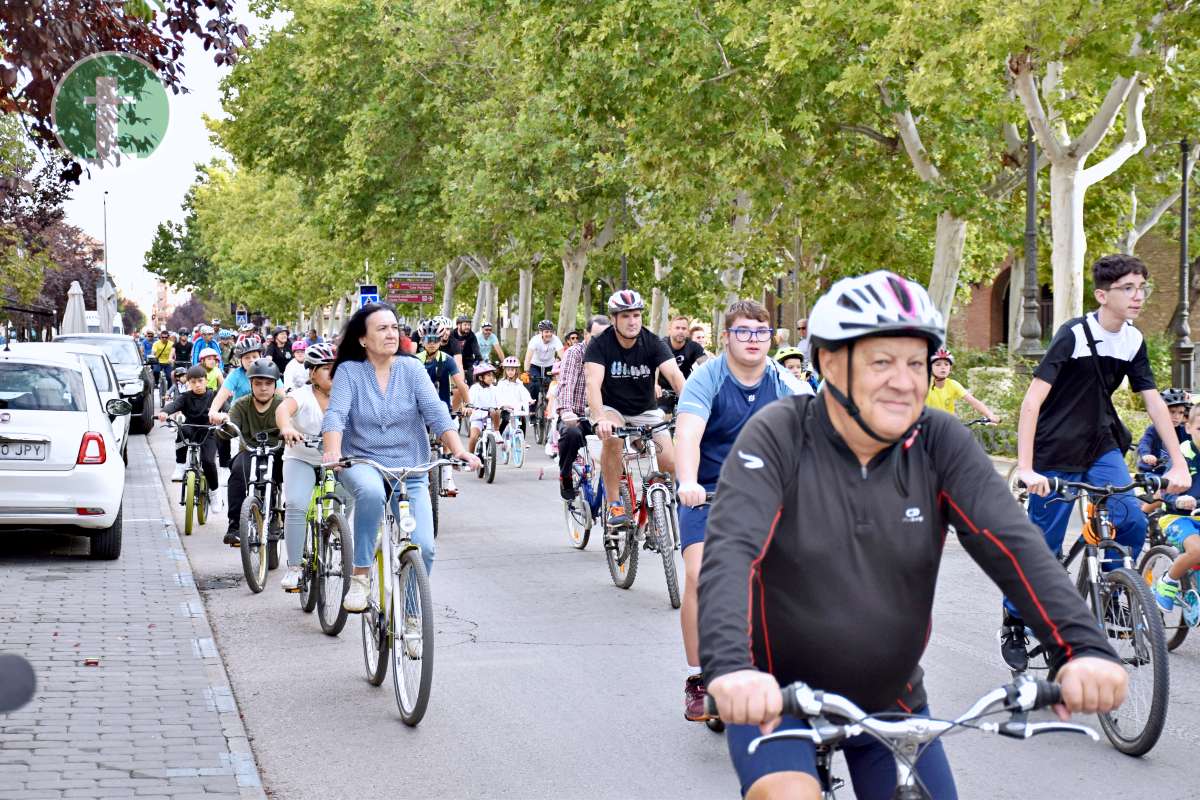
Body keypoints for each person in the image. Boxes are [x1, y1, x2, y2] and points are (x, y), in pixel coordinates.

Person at [700, 271, 1129, 800]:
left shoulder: (938, 440)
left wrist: (1082, 648)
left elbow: (1014, 544)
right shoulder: (778, 432)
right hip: (774, 697)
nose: (905, 381)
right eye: (882, 362)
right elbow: (730, 554)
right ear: (830, 363)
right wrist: (731, 671)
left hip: (891, 700)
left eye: (917, 362)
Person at [1010, 253, 1190, 670]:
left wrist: (1177, 463)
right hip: (1053, 450)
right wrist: (1026, 467)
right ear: (1102, 295)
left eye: (1142, 287)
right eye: (1128, 288)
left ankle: (1113, 589)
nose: (1138, 296)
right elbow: (1032, 402)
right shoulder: (1073, 335)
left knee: (1128, 517)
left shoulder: (1132, 340)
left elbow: (1154, 404)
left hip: (1101, 444)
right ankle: (1015, 620)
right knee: (1042, 548)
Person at [675, 301, 809, 722]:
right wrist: (688, 482)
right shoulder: (707, 378)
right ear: (726, 337)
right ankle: (698, 678)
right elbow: (688, 436)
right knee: (699, 575)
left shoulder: (784, 381)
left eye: (761, 332)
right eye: (744, 332)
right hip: (709, 490)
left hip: (765, 492)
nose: (753, 340)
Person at [320, 303, 478, 613]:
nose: (392, 333)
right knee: (371, 492)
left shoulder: (412, 369)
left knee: (425, 547)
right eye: (382, 328)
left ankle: (410, 614)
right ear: (363, 339)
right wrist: (333, 451)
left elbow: (436, 413)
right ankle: (361, 576)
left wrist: (458, 449)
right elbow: (336, 415)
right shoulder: (350, 372)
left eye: (394, 327)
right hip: (362, 461)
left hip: (410, 466)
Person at [584, 290, 686, 527]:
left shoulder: (651, 342)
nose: (632, 321)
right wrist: (599, 419)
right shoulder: (600, 344)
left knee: (669, 462)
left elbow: (675, 375)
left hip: (645, 410)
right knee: (613, 440)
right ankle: (615, 505)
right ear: (614, 319)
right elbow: (592, 383)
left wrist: (695, 409)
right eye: (626, 315)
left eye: (637, 315)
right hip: (612, 409)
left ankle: (657, 507)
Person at [276, 343, 347, 591]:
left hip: (339, 459)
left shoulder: (348, 394)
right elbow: (284, 409)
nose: (333, 373)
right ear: (312, 373)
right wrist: (287, 428)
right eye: (327, 368)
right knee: (296, 504)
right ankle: (295, 568)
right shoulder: (302, 395)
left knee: (356, 495)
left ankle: (341, 536)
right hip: (301, 457)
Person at [214, 358, 284, 547]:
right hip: (250, 452)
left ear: (275, 384)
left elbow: (296, 423)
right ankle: (235, 526)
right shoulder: (241, 405)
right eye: (258, 383)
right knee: (237, 473)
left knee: (294, 473)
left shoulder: (283, 404)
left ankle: (279, 515)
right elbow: (230, 428)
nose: (263, 388)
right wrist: (223, 425)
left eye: (268, 383)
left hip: (278, 452)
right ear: (250, 384)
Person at [1151, 402, 1200, 612]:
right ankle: (1167, 581)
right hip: (1176, 516)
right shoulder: (1182, 456)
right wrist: (1178, 500)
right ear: (1188, 428)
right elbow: (1164, 492)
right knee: (1197, 550)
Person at [557, 315, 609, 500]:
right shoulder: (575, 353)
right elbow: (566, 382)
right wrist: (566, 410)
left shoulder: (610, 354)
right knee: (571, 434)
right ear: (586, 334)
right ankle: (566, 475)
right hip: (577, 415)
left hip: (603, 416)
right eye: (595, 336)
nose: (600, 341)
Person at [158, 365, 220, 491]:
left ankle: (215, 492)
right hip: (190, 428)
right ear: (188, 383)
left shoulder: (213, 395)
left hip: (208, 430)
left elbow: (226, 407)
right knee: (181, 430)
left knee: (208, 461)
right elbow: (175, 405)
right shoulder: (185, 396)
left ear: (206, 381)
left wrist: (225, 416)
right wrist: (165, 412)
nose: (197, 385)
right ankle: (180, 465)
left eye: (200, 381)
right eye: (193, 382)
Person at [926, 348, 999, 422]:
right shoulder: (925, 384)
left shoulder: (952, 384)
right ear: (930, 368)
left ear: (950, 368)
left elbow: (973, 401)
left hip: (947, 426)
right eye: (938, 364)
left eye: (946, 364)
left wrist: (990, 415)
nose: (943, 367)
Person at [658, 314, 706, 414]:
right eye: (677, 328)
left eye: (684, 328)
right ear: (670, 330)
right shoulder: (661, 345)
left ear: (688, 332)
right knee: (661, 414)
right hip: (663, 389)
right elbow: (653, 366)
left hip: (685, 388)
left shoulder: (693, 346)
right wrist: (654, 385)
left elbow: (706, 366)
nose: (680, 331)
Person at [1137, 388, 1190, 474]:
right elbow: (1145, 442)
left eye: (1180, 412)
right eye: (1172, 412)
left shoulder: (1184, 430)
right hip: (1153, 471)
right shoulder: (1154, 429)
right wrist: (1146, 454)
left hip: (1174, 472)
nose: (1177, 416)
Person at [524, 320, 563, 411]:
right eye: (546, 331)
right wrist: (526, 371)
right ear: (540, 332)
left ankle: (551, 409)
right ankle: (532, 410)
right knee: (535, 385)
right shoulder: (535, 340)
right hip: (535, 365)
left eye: (551, 331)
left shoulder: (556, 340)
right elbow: (528, 358)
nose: (549, 334)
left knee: (552, 386)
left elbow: (563, 356)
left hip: (549, 366)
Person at [466, 363, 502, 454]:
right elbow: (469, 400)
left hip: (490, 417)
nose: (491, 378)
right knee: (473, 437)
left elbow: (500, 401)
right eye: (488, 375)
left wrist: (503, 406)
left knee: (496, 411)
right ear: (481, 378)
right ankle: (470, 459)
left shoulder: (494, 389)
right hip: (478, 417)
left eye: (492, 375)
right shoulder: (475, 388)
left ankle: (497, 432)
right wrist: (469, 408)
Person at [495, 355, 532, 437]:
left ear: (516, 371)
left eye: (512, 370)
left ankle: (523, 439)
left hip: (516, 408)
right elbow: (498, 395)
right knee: (505, 420)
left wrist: (529, 400)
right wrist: (501, 405)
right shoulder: (501, 383)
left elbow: (524, 393)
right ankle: (499, 436)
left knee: (522, 419)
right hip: (505, 407)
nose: (510, 372)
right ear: (505, 371)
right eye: (508, 370)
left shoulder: (519, 383)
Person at [450, 316, 484, 384]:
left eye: (469, 325)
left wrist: (480, 360)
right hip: (454, 360)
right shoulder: (452, 334)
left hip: (468, 361)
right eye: (465, 325)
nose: (468, 327)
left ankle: (470, 391)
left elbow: (476, 349)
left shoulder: (471, 335)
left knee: (471, 376)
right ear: (458, 325)